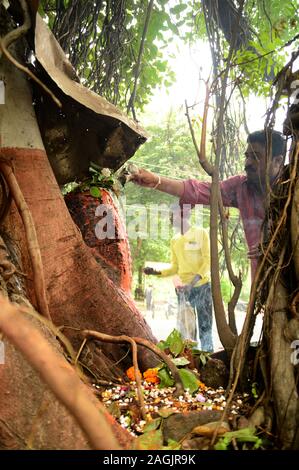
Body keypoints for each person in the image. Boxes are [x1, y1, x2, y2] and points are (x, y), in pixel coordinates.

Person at [131, 130, 286, 279]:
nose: (248, 163)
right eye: (247, 156)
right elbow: (198, 190)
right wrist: (155, 181)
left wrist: (275, 250)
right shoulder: (241, 187)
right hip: (262, 286)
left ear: (278, 161)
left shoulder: (293, 190)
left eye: (256, 157)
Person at [144, 204, 214, 352]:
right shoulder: (175, 240)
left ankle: (208, 359)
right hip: (183, 291)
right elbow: (175, 267)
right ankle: (191, 362)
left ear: (185, 216)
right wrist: (156, 272)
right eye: (170, 215)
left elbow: (208, 261)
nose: (170, 218)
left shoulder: (201, 233)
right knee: (186, 331)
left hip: (202, 286)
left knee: (205, 327)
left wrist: (192, 282)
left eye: (173, 215)